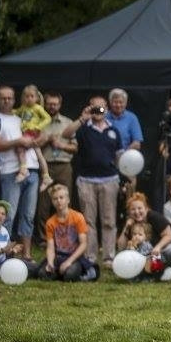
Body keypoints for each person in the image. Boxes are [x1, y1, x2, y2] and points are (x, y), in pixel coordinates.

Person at [62, 95, 121, 267]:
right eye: (95, 108)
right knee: (88, 221)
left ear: (107, 110)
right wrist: (82, 118)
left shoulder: (114, 130)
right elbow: (66, 134)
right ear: (89, 108)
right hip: (86, 180)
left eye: (101, 108)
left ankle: (109, 257)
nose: (98, 111)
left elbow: (119, 157)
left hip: (110, 179)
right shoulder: (82, 128)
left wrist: (124, 178)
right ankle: (90, 256)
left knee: (109, 220)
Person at [0, 85, 40, 256]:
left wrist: (34, 140)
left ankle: (27, 254)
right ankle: (4, 252)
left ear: (15, 99)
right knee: (8, 215)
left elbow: (38, 135)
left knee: (28, 216)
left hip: (32, 168)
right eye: (3, 98)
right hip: (10, 171)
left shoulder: (21, 116)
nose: (6, 101)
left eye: (10, 98)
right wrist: (19, 141)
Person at [34, 92, 78, 242]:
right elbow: (32, 145)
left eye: (55, 104)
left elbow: (75, 148)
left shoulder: (68, 123)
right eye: (49, 104)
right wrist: (45, 140)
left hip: (64, 166)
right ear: (45, 104)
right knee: (43, 204)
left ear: (60, 105)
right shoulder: (38, 122)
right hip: (45, 166)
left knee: (65, 202)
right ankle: (43, 238)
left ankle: (65, 235)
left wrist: (61, 145)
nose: (52, 106)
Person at [117, 192, 171, 281]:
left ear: (146, 208)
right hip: (151, 255)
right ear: (129, 212)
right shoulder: (132, 223)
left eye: (139, 208)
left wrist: (157, 248)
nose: (137, 212)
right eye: (133, 209)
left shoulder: (154, 216)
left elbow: (169, 236)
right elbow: (120, 247)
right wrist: (126, 228)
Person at [38, 184, 95, 282]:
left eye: (61, 197)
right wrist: (50, 263)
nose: (59, 201)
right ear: (52, 202)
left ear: (68, 200)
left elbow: (83, 244)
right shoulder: (50, 222)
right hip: (59, 256)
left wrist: (69, 262)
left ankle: (68, 272)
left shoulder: (78, 217)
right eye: (55, 199)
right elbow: (50, 247)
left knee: (70, 275)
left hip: (74, 257)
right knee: (42, 274)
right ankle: (58, 272)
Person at [12, 84, 54, 192]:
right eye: (26, 96)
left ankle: (23, 169)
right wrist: (10, 112)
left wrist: (38, 127)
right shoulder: (23, 108)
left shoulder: (38, 108)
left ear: (37, 98)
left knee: (20, 149)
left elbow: (47, 118)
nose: (29, 99)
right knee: (39, 154)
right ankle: (46, 176)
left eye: (31, 96)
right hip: (25, 132)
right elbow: (16, 112)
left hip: (32, 132)